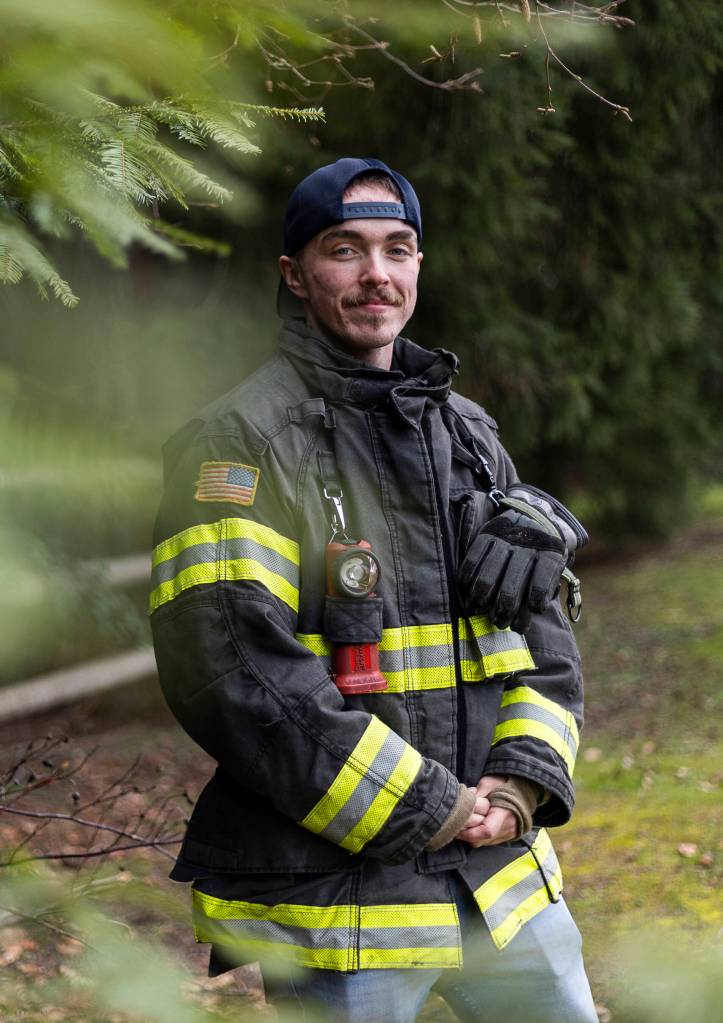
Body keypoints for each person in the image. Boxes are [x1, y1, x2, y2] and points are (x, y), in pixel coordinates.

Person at [150, 157, 598, 1023]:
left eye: (398, 248)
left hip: (497, 879)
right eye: (344, 250)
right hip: (345, 908)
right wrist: (430, 806)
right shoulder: (237, 442)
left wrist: (516, 788)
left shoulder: (467, 435)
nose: (376, 275)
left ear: (419, 265)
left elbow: (542, 638)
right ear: (295, 273)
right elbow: (236, 674)